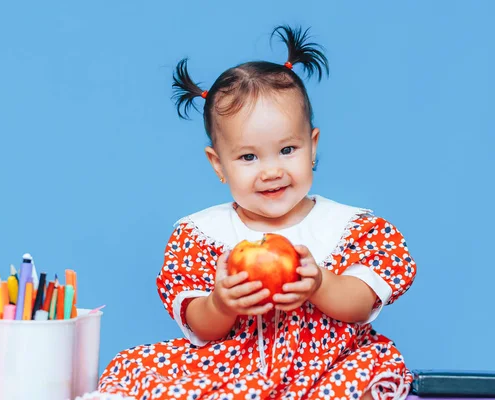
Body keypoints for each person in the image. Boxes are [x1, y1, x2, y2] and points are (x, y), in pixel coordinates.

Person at [97, 24, 417, 400]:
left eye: (287, 150)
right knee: (140, 368)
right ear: (218, 165)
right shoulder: (202, 234)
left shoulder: (349, 227)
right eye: (248, 157)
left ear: (312, 146)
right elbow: (200, 327)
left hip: (329, 367)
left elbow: (360, 305)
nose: (271, 171)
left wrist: (320, 284)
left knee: (368, 372)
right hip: (232, 369)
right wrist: (220, 303)